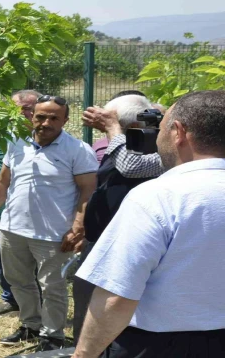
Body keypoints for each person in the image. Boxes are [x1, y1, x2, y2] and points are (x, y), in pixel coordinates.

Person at [73, 90, 225, 358]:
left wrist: (83, 354)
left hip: (159, 343)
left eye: (163, 125)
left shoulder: (158, 196)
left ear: (178, 132)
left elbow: (117, 296)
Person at [0, 95, 98, 351]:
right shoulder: (16, 144)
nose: (46, 122)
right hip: (12, 229)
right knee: (18, 281)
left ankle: (52, 335)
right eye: (41, 116)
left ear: (66, 120)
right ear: (32, 116)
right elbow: (2, 181)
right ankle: (30, 325)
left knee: (52, 286)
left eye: (54, 117)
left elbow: (88, 191)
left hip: (54, 235)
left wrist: (78, 227)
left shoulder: (78, 150)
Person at [73, 94, 156, 343]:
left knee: (108, 311)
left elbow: (130, 167)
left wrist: (113, 128)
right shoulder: (127, 145)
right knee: (86, 304)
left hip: (126, 248)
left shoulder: (164, 154)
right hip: (100, 243)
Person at [0, 89, 42, 318]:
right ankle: (10, 300)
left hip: (39, 212)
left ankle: (39, 303)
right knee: (4, 258)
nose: (22, 113)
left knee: (37, 261)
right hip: (5, 211)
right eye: (17, 108)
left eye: (28, 108)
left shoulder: (48, 136)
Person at [91, 90, 147, 164]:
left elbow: (130, 166)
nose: (104, 126)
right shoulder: (102, 148)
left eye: (111, 121)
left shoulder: (156, 151)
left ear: (133, 127)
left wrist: (111, 128)